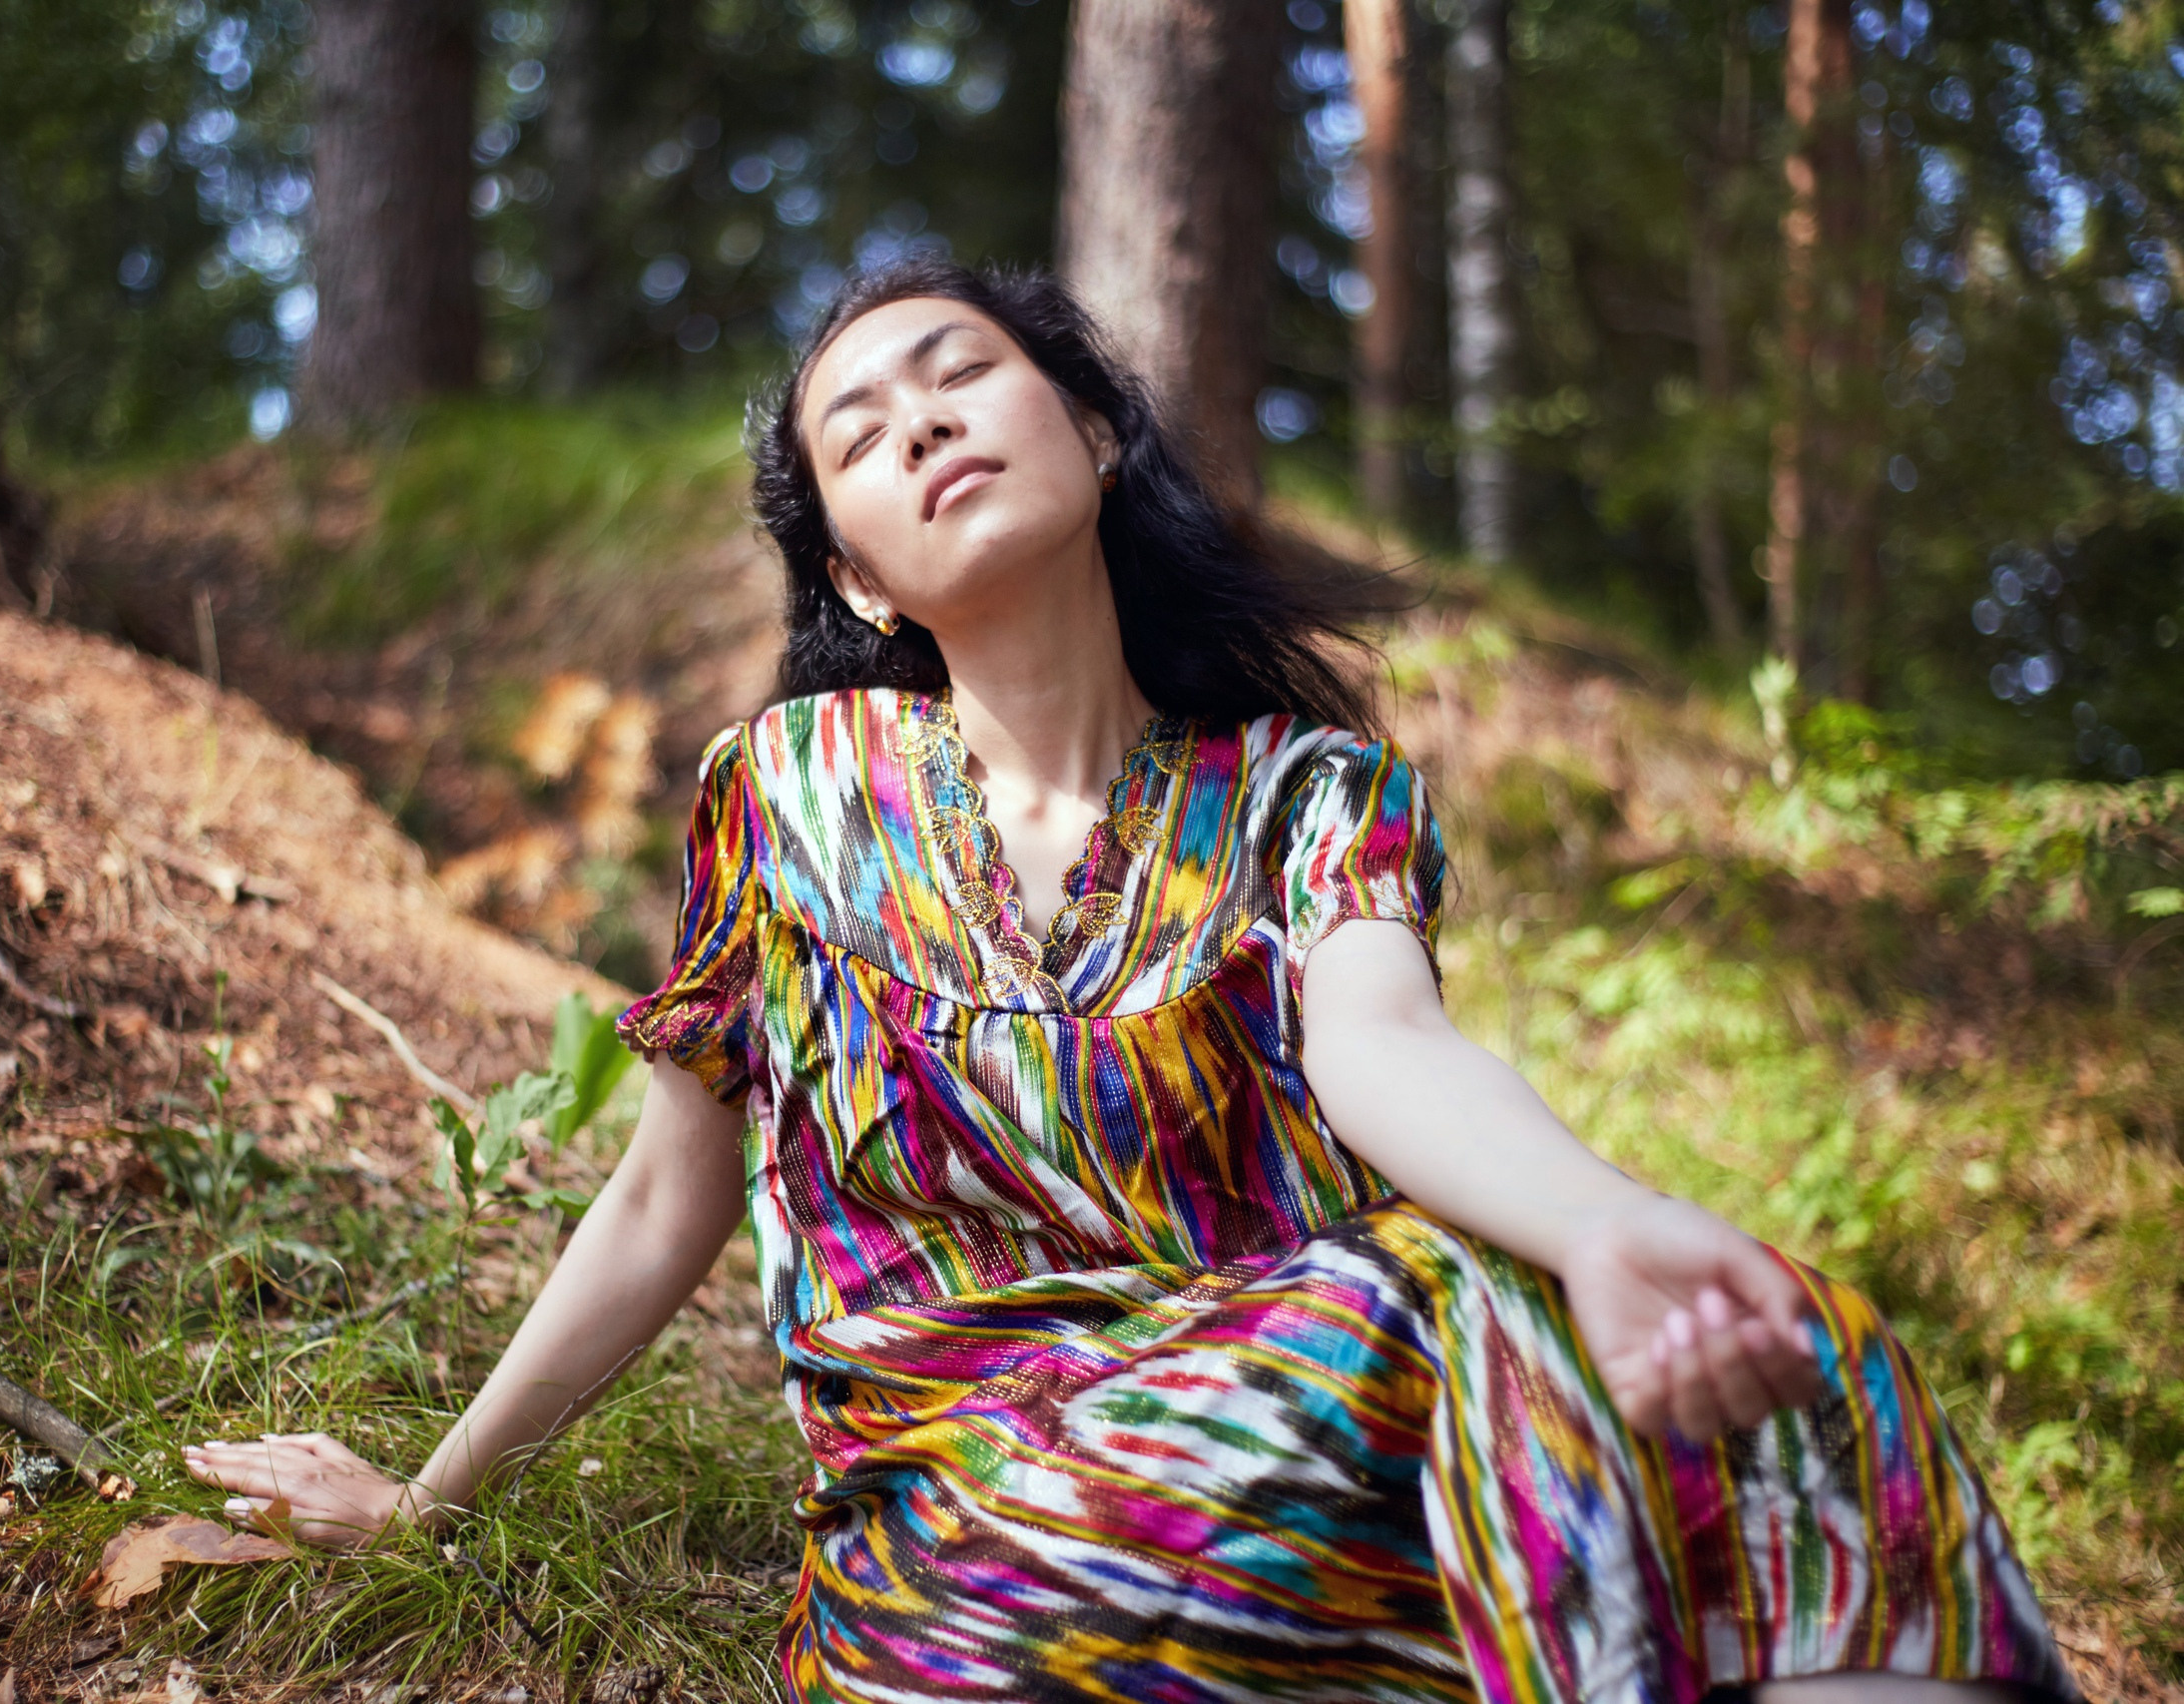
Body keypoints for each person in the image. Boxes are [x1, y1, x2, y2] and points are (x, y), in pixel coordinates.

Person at [186, 260, 2075, 1704]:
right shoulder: (782, 798)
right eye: (861, 433)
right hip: (968, 1548)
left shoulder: (1306, 796)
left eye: (961, 376)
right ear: (856, 583)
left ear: (1089, 434)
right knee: (1434, 1303)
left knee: (1801, 1342)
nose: (920, 423)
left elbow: (1387, 1049)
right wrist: (426, 1503)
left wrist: (1609, 1226)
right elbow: (667, 1192)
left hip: (1306, 1487)